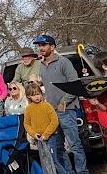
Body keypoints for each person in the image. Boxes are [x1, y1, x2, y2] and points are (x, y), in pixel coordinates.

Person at [34, 34, 89, 174]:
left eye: (43, 45)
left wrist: (63, 102)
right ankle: (68, 172)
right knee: (58, 147)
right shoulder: (41, 65)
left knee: (75, 145)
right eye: (39, 46)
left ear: (52, 47)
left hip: (67, 110)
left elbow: (75, 84)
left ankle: (82, 171)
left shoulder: (64, 62)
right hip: (51, 112)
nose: (41, 48)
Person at [24, 83, 68, 174]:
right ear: (29, 96)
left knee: (53, 160)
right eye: (33, 95)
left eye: (38, 94)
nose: (37, 97)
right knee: (44, 161)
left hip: (50, 137)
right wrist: (33, 134)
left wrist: (46, 134)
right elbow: (27, 124)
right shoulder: (28, 109)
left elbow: (54, 121)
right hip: (38, 139)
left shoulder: (47, 106)